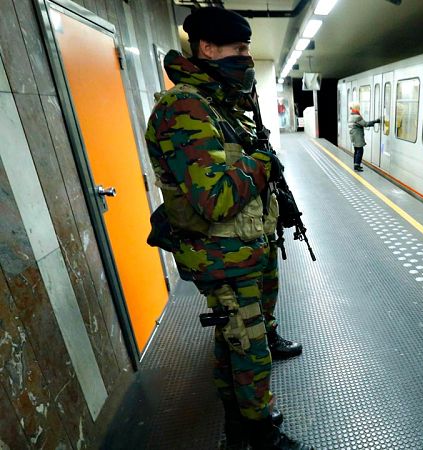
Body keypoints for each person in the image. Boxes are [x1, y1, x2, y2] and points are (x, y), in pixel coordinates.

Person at [145, 7, 310, 450]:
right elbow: (214, 199)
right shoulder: (184, 108)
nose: (246, 57)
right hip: (221, 254)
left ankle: (240, 423)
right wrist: (260, 162)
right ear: (207, 49)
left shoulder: (218, 104)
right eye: (239, 48)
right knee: (249, 347)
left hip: (243, 247)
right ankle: (256, 433)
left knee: (237, 337)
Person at [348, 102, 380, 171]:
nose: (359, 108)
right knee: (360, 150)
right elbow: (365, 124)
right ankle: (357, 165)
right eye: (359, 107)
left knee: (356, 150)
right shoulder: (357, 117)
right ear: (357, 108)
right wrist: (375, 121)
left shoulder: (351, 115)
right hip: (357, 135)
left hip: (353, 135)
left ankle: (356, 164)